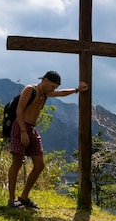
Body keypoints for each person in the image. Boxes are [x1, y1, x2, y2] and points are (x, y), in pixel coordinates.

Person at [7, 71, 89, 209]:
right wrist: (22, 131)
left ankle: (24, 197)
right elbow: (19, 110)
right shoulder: (30, 89)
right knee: (17, 163)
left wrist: (77, 90)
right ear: (44, 80)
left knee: (40, 165)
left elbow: (62, 93)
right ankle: (11, 200)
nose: (53, 90)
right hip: (20, 127)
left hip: (32, 129)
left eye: (55, 87)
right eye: (52, 86)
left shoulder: (45, 94)